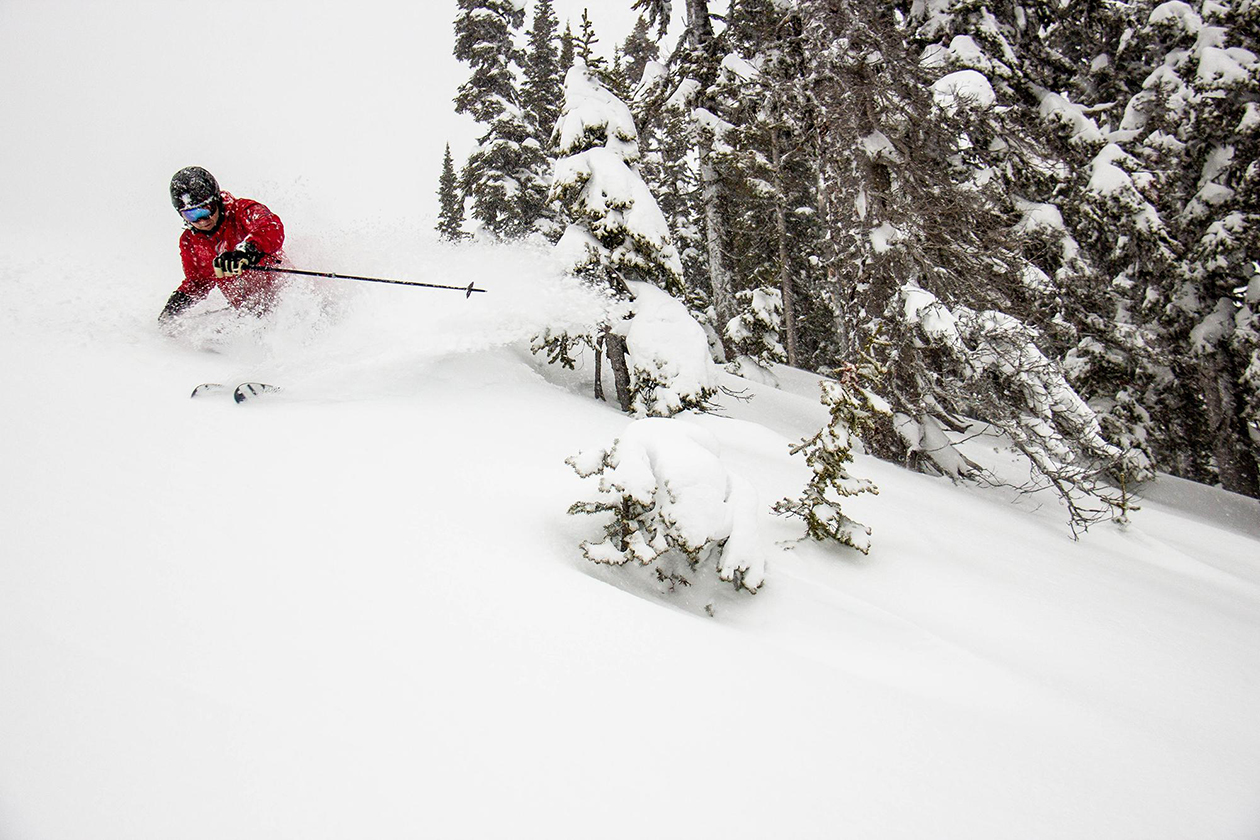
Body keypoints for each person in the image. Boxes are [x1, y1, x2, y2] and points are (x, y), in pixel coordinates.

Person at [159, 166, 286, 323]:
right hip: (247, 314)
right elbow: (198, 281)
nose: (202, 220)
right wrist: (176, 305)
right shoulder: (190, 241)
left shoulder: (242, 211)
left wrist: (247, 251)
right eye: (191, 215)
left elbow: (271, 227)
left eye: (206, 210)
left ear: (216, 201)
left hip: (285, 300)